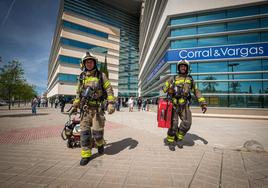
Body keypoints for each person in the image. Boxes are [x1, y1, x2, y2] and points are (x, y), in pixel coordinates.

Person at [70, 52, 115, 166]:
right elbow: (78, 92)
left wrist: (111, 103)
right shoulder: (82, 77)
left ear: (94, 63)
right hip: (85, 110)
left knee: (97, 134)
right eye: (87, 62)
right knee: (84, 133)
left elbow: (109, 89)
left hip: (97, 110)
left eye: (91, 61)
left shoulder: (101, 75)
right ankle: (86, 155)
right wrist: (75, 105)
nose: (89, 64)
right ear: (84, 64)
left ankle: (100, 143)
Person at [162, 59, 207, 151]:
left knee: (187, 123)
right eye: (181, 66)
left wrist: (202, 103)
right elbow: (164, 88)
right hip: (173, 105)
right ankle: (171, 141)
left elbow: (197, 91)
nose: (183, 68)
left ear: (187, 68)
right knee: (173, 125)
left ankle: (179, 138)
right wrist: (168, 88)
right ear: (178, 68)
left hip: (184, 105)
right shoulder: (173, 78)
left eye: (184, 66)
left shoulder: (190, 79)